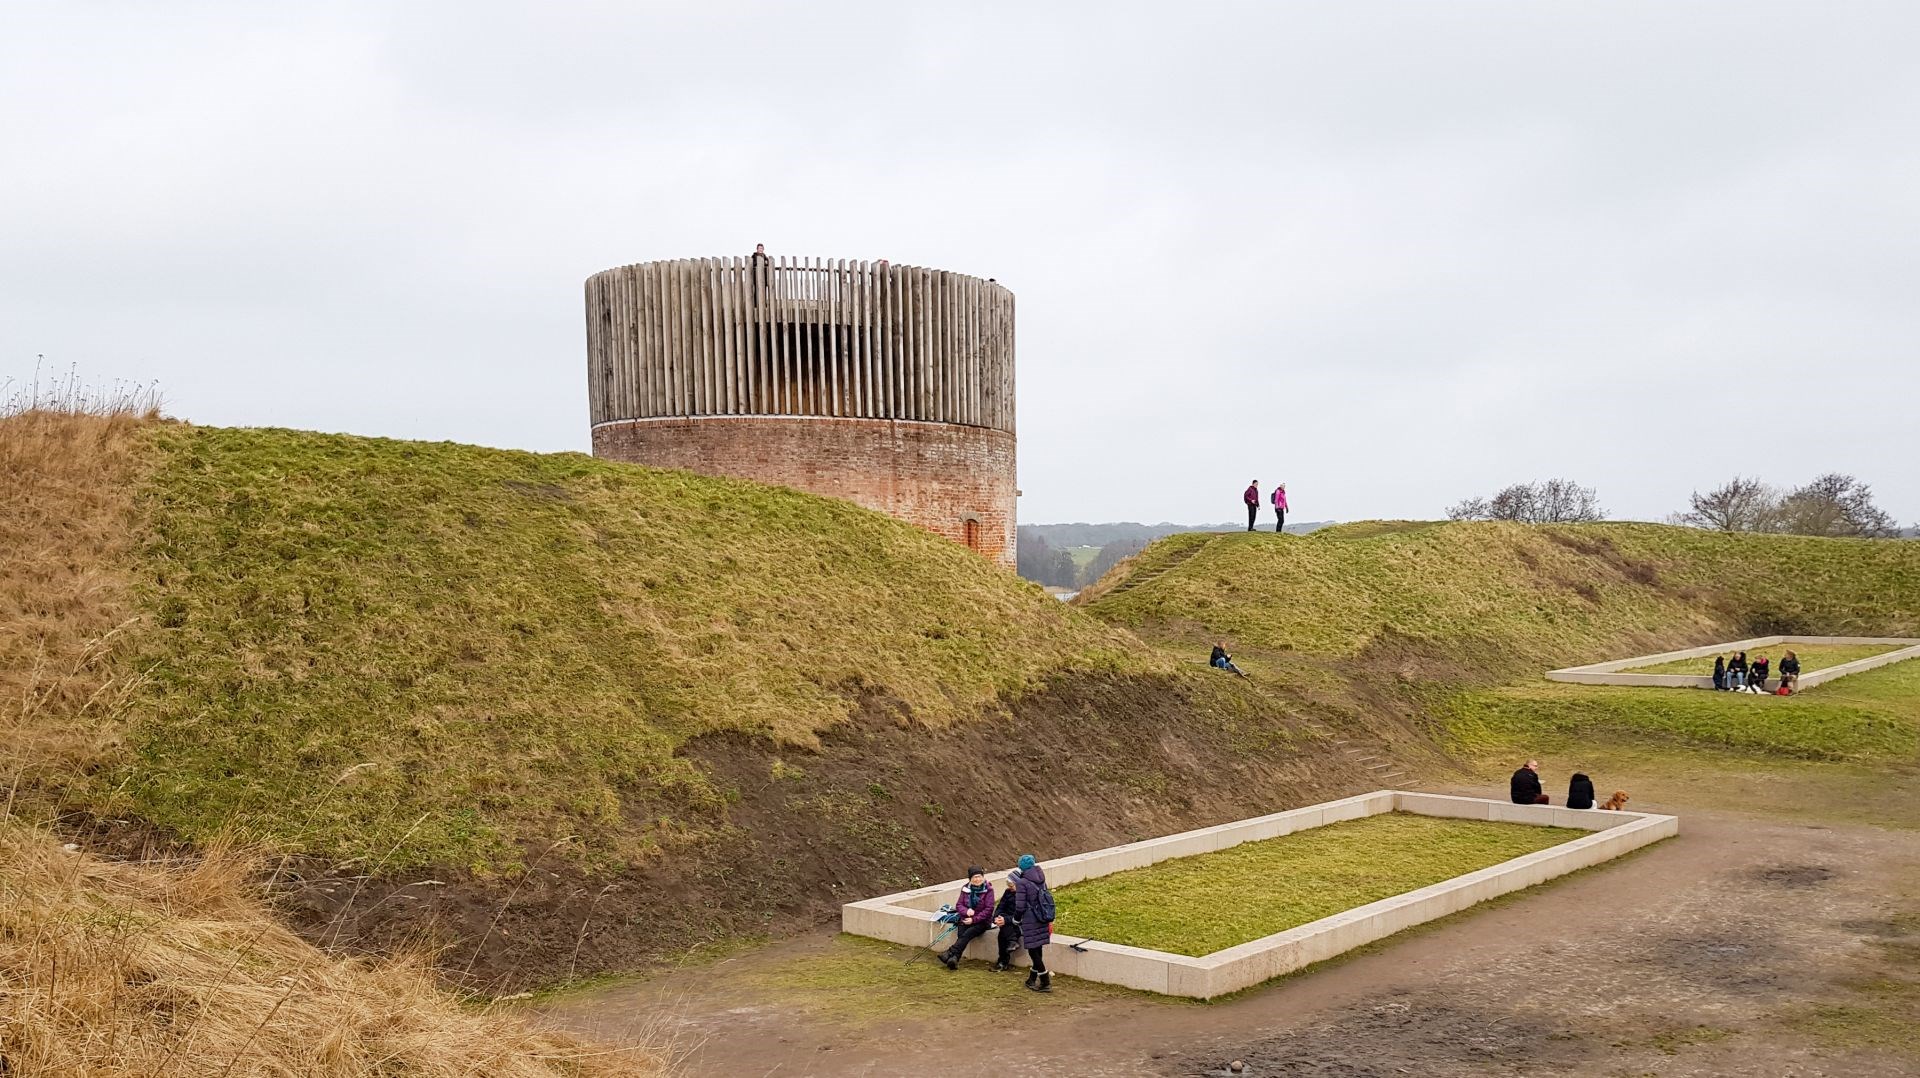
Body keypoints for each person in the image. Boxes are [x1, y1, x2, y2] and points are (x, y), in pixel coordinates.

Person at [939, 867, 996, 970]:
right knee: (961, 932)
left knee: (968, 933)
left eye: (979, 877)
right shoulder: (965, 889)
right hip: (966, 918)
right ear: (970, 879)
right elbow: (959, 905)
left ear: (983, 877)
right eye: (975, 877)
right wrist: (966, 911)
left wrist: (974, 919)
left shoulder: (989, 890)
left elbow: (989, 909)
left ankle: (951, 952)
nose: (977, 879)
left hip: (982, 921)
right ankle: (954, 959)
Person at [1012, 854, 1055, 993]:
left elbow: (1020, 906)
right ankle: (1031, 979)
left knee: (1033, 951)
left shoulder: (1022, 882)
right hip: (1042, 916)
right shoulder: (1041, 879)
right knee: (1038, 949)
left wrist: (1016, 920)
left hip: (1030, 919)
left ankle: (1045, 982)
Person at [991, 867, 1022, 971]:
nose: (1010, 887)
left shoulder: (1023, 896)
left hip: (1018, 922)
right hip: (1006, 919)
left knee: (1003, 933)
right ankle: (1012, 942)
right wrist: (996, 917)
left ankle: (1002, 962)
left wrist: (1005, 920)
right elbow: (1001, 906)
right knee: (1003, 932)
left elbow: (1021, 914)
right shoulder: (1008, 892)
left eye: (1012, 885)